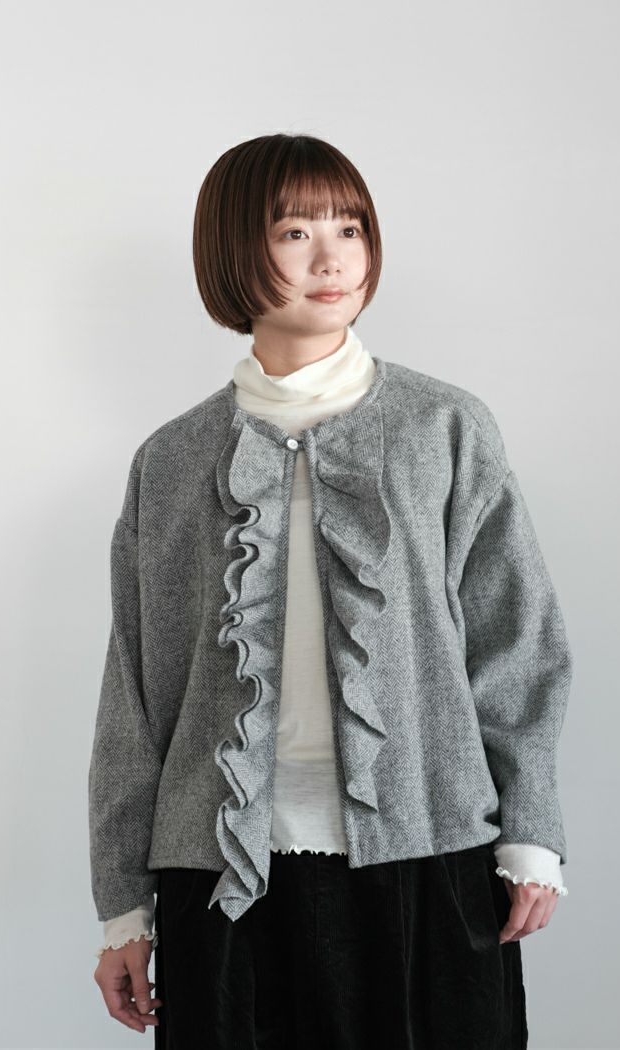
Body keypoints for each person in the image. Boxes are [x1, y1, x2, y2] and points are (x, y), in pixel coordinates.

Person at [89, 133, 573, 1049]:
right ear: (233, 250)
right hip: (220, 876)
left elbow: (517, 642)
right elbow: (136, 695)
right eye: (294, 232)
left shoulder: (444, 427)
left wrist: (531, 832)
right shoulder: (172, 460)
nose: (332, 258)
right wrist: (122, 907)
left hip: (430, 855)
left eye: (350, 228)